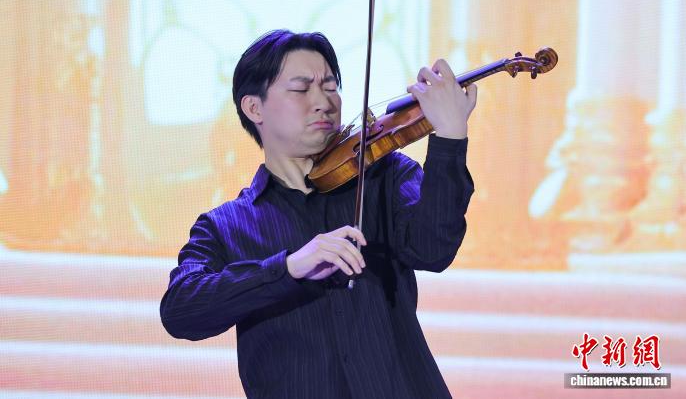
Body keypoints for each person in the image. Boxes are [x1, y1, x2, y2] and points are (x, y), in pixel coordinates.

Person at [160, 29, 477, 399]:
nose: (323, 102)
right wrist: (288, 268)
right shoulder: (224, 227)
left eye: (330, 87)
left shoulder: (385, 176)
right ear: (254, 108)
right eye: (301, 89)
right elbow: (181, 312)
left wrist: (450, 138)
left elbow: (434, 250)